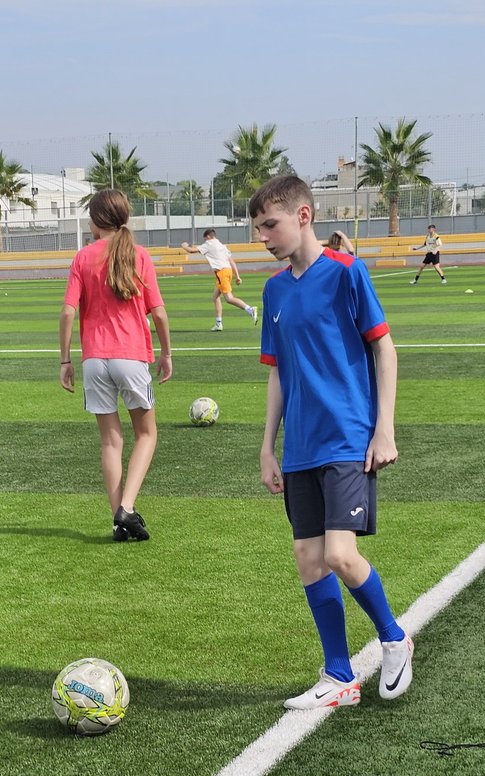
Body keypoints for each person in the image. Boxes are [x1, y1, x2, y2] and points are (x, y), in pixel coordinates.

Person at [249, 174, 413, 711]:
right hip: (300, 446)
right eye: (256, 229)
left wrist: (383, 427)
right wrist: (268, 446)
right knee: (308, 557)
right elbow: (276, 374)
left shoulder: (347, 272)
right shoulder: (274, 290)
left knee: (341, 554)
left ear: (302, 216)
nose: (263, 238)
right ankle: (339, 674)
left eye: (269, 225)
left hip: (347, 436)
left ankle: (394, 638)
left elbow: (384, 350)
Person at [59, 189, 172, 542]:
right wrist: (167, 353)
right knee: (147, 434)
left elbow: (67, 312)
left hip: (94, 360)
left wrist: (65, 360)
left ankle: (118, 521)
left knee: (111, 442)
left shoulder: (82, 258)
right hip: (132, 356)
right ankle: (127, 507)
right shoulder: (139, 256)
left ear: (94, 221)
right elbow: (159, 313)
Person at [180, 229, 258, 330]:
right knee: (215, 297)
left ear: (208, 237)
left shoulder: (209, 244)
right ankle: (218, 323)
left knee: (229, 299)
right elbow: (232, 261)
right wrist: (237, 276)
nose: (205, 241)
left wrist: (184, 246)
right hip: (227, 271)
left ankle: (250, 309)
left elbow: (191, 250)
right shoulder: (222, 246)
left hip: (221, 273)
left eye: (205, 239)